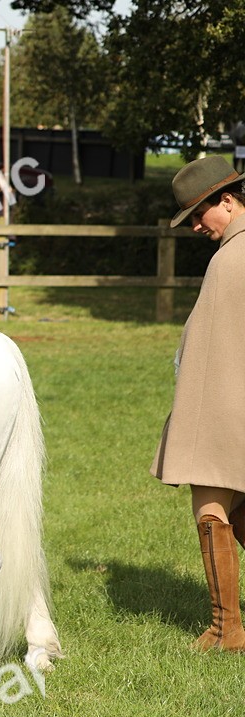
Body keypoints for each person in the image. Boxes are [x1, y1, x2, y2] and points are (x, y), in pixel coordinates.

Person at [152, 156, 245, 653]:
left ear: (226, 201)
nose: (194, 225)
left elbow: (213, 352)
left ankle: (224, 628)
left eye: (197, 213)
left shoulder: (232, 259)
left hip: (225, 410)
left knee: (211, 507)